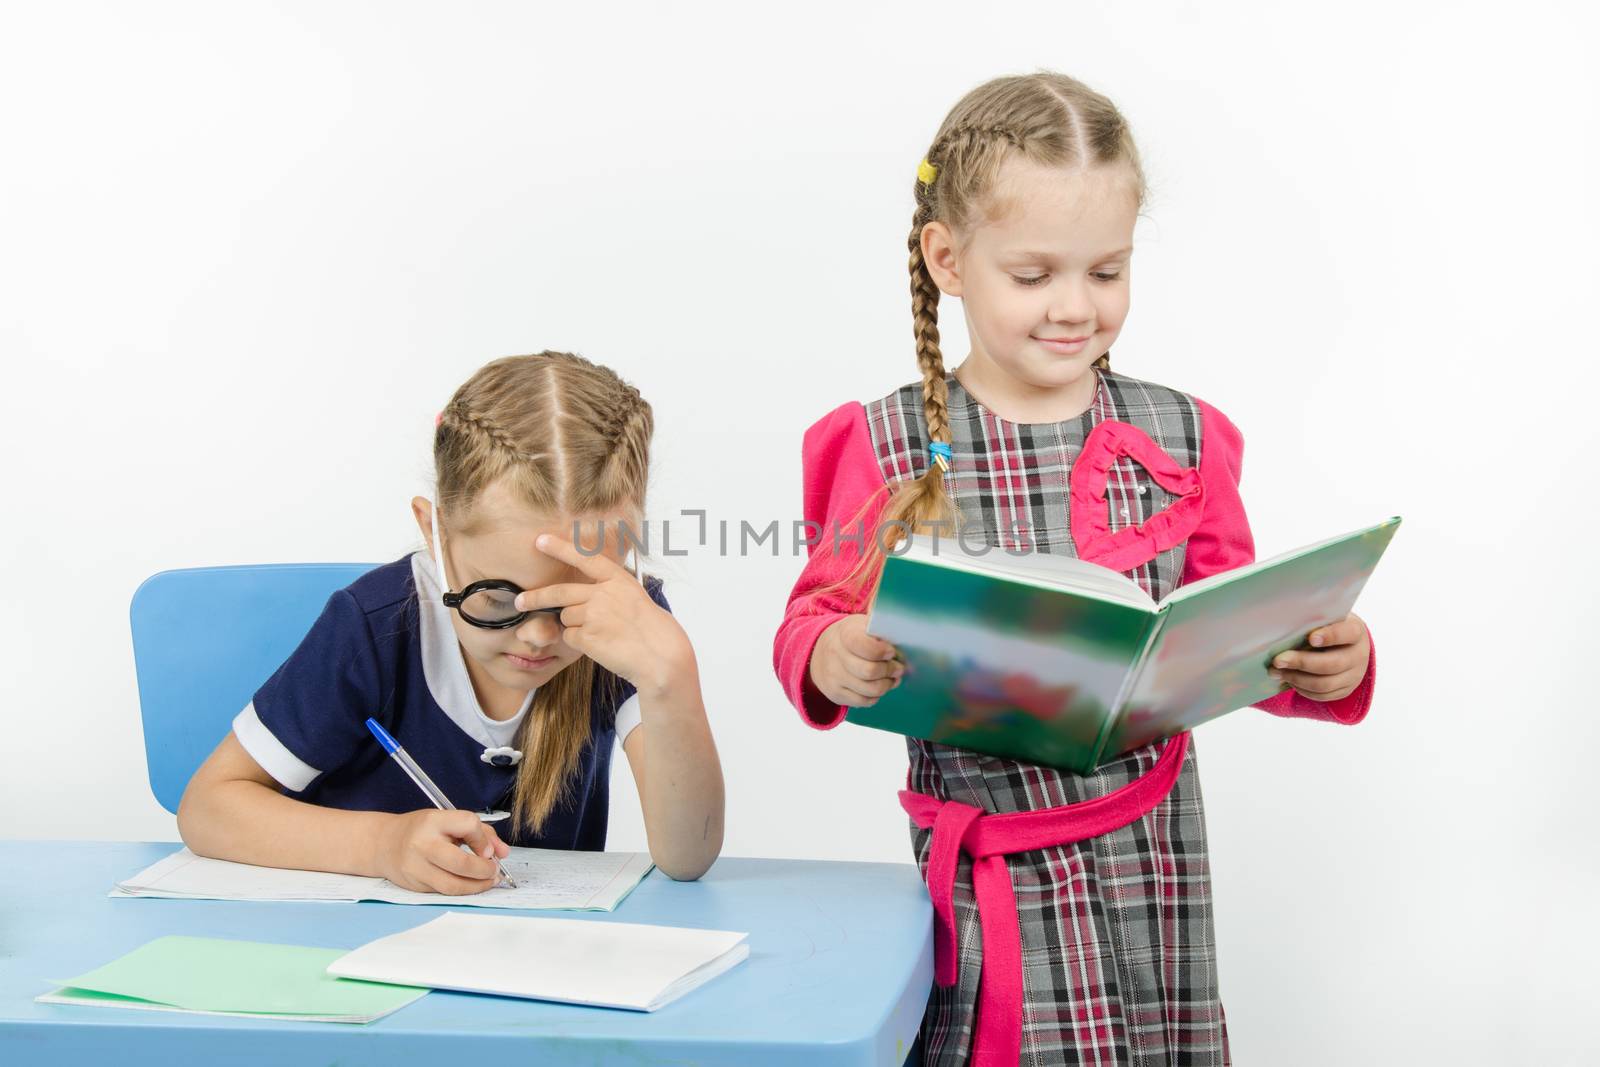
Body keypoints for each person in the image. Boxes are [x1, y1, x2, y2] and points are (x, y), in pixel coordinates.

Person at [773, 72, 1376, 1065]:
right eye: (1034, 273)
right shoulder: (880, 442)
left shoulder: (1181, 432)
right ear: (948, 258)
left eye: (1105, 272)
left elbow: (1228, 616)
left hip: (1153, 858)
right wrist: (833, 651)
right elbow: (812, 620)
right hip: (993, 873)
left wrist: (1323, 656)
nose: (1073, 307)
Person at [180, 351, 724, 892]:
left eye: (571, 599)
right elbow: (208, 809)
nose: (537, 634)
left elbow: (686, 856)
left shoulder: (626, 623)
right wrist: (380, 847)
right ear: (433, 532)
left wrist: (671, 677)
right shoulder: (374, 626)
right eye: (497, 597)